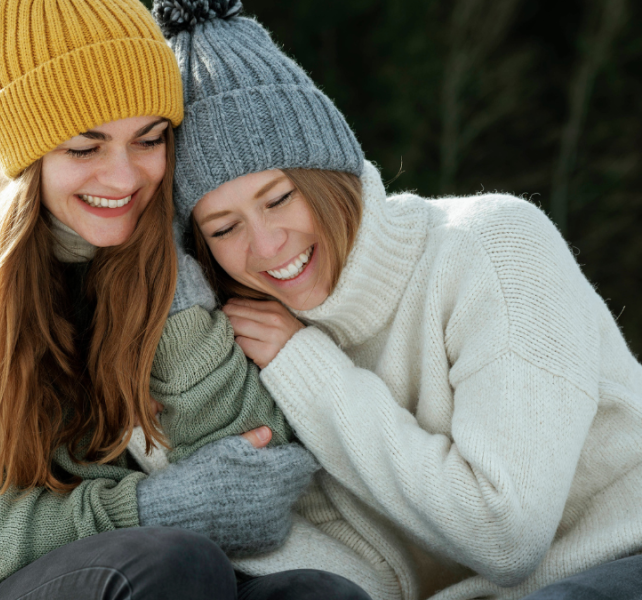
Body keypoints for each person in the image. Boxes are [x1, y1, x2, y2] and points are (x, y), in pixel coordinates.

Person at [156, 1, 642, 599]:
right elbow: (350, 558)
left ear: (331, 174)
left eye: (279, 198)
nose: (265, 245)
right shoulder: (258, 333)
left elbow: (507, 535)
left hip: (619, 553)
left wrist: (310, 373)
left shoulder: (494, 246)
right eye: (223, 229)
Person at [0, 1, 376, 599]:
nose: (124, 180)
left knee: (318, 595)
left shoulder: (187, 239)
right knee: (170, 562)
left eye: (149, 140)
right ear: (28, 155)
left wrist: (170, 286)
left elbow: (260, 472)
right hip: (35, 587)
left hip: (194, 573)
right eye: (84, 149)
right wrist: (150, 507)